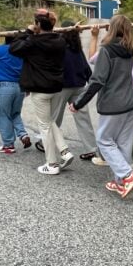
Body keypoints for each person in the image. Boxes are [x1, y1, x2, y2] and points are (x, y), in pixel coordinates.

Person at [71, 15, 133, 198]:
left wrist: (78, 103)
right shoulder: (130, 48)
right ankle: (120, 183)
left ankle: (126, 175)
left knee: (104, 140)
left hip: (114, 104)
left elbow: (97, 81)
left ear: (111, 28)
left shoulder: (107, 51)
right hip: (131, 102)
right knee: (124, 143)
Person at [9, 9, 73, 175]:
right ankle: (65, 151)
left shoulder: (34, 42)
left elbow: (14, 48)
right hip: (56, 87)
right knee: (49, 121)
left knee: (44, 126)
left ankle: (51, 164)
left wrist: (28, 32)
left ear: (38, 25)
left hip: (40, 89)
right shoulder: (60, 40)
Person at [87, 23, 133, 172]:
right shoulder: (129, 48)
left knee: (105, 137)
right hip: (130, 93)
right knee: (125, 134)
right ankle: (127, 170)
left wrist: (94, 37)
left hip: (116, 96)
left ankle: (126, 171)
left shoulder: (108, 51)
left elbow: (93, 62)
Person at [37, 20, 99, 161]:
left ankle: (46, 143)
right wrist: (91, 82)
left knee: (53, 118)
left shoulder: (58, 46)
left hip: (62, 87)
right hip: (79, 86)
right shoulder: (76, 47)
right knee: (83, 118)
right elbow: (85, 67)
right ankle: (91, 149)